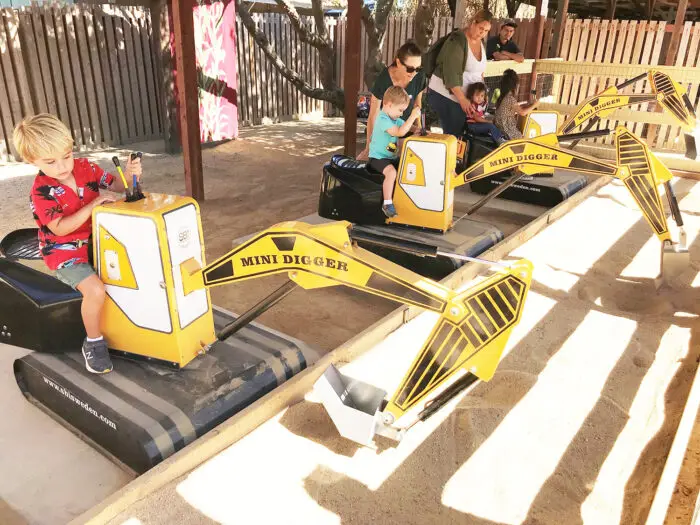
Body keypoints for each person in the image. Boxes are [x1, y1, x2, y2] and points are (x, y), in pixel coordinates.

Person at [13, 113, 142, 374]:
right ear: (31, 160)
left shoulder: (86, 168)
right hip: (65, 252)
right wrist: (94, 204)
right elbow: (60, 228)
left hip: (98, 241)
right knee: (95, 291)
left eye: (67, 155)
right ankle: (93, 343)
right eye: (50, 161)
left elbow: (117, 185)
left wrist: (129, 173)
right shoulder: (41, 191)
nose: (62, 166)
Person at [426, 9, 492, 137]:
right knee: (452, 136)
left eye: (486, 31)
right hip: (447, 95)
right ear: (473, 23)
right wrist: (462, 98)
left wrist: (483, 92)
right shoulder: (457, 40)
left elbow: (480, 72)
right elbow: (451, 73)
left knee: (462, 136)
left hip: (465, 98)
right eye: (481, 28)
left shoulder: (481, 42)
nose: (482, 33)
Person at [358, 41, 426, 161]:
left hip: (406, 130)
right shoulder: (383, 80)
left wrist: (420, 132)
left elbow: (417, 105)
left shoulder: (419, 77)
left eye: (418, 68)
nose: (414, 73)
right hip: (386, 134)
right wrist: (369, 146)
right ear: (398, 62)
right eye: (410, 69)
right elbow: (373, 115)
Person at [368, 86, 422, 218]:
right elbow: (400, 131)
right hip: (377, 158)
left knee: (406, 167)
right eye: (400, 110)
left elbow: (408, 127)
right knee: (391, 173)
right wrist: (412, 116)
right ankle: (387, 204)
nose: (402, 113)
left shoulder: (394, 118)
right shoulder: (382, 120)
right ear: (389, 105)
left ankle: (404, 199)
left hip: (390, 157)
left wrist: (418, 130)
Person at [493, 69, 539, 140]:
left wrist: (528, 105)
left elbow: (515, 108)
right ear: (514, 86)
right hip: (508, 131)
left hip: (501, 128)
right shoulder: (510, 99)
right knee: (528, 142)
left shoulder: (502, 97)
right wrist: (534, 105)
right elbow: (522, 112)